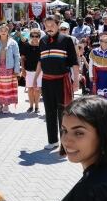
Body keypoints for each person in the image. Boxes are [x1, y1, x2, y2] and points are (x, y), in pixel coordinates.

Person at [34, 16, 79, 150]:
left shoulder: (67, 40)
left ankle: (66, 142)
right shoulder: (42, 41)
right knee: (49, 111)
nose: (49, 28)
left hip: (62, 81)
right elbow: (40, 62)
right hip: (46, 81)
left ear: (58, 25)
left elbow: (75, 63)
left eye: (52, 25)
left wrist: (76, 81)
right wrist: (36, 78)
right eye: (46, 26)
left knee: (64, 113)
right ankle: (53, 141)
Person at [0, 24, 21, 114]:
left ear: (8, 32)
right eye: (1, 30)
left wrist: (17, 70)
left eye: (5, 31)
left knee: (6, 86)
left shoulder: (13, 43)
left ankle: (6, 104)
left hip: (8, 68)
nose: (3, 32)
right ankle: (0, 104)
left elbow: (17, 57)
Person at [88, 35, 107, 103]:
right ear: (100, 42)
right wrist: (90, 75)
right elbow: (90, 65)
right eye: (104, 42)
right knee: (96, 92)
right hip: (97, 74)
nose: (106, 44)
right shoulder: (94, 51)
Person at [20, 28, 42, 113]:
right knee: (30, 89)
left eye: (36, 36)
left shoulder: (42, 45)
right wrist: (23, 69)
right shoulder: (26, 45)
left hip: (39, 71)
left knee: (37, 89)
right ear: (30, 36)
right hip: (28, 71)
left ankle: (37, 106)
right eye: (32, 36)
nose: (35, 37)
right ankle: (31, 106)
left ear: (39, 36)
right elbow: (22, 59)